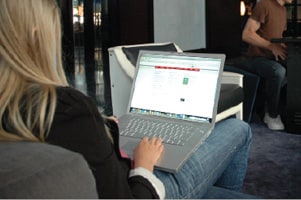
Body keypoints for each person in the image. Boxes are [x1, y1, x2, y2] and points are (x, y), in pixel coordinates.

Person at [0, 0, 253, 198]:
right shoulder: (66, 109)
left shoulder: (17, 110)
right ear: (36, 35)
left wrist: (102, 127)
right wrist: (143, 166)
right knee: (238, 128)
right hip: (142, 186)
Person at [242, 0, 293, 130]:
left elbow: (276, 36)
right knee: (278, 71)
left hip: (271, 58)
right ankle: (271, 114)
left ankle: (283, 111)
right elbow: (247, 34)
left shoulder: (282, 10)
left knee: (294, 68)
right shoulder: (264, 4)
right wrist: (271, 47)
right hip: (256, 58)